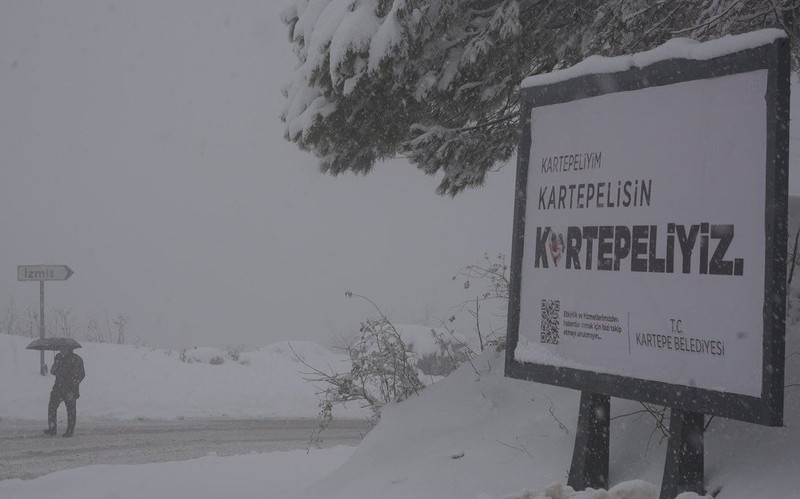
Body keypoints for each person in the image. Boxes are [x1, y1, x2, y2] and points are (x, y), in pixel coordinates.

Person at [43, 346, 85, 437]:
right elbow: (54, 372)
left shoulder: (76, 359)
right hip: (58, 388)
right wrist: (54, 368)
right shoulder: (58, 357)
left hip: (70, 389)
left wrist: (74, 381)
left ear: (69, 349)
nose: (61, 350)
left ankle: (70, 431)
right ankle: (52, 428)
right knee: (52, 407)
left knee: (71, 411)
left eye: (63, 348)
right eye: (60, 348)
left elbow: (82, 374)